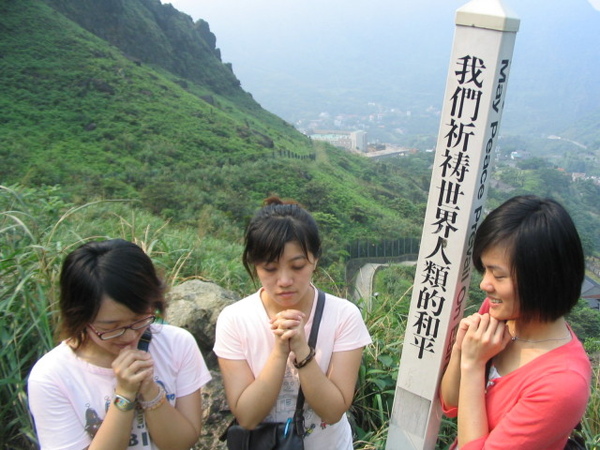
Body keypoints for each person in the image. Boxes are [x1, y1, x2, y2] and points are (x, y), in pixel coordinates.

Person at [214, 197, 371, 449]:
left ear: (315, 259)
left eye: (297, 266)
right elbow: (247, 416)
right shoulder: (235, 320)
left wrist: (302, 349)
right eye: (270, 269)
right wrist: (279, 352)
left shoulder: (343, 315)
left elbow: (332, 412)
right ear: (255, 266)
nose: (285, 280)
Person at [28, 239, 211, 449]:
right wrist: (124, 394)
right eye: (111, 327)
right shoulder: (51, 377)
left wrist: (150, 390)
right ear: (79, 317)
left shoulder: (178, 344)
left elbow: (181, 443)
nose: (129, 336)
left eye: (139, 319)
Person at [440, 195, 592, 449]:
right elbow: (451, 402)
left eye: (498, 275)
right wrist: (462, 349)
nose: (485, 284)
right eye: (485, 270)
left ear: (541, 278)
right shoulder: (501, 312)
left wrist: (474, 363)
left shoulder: (562, 384)